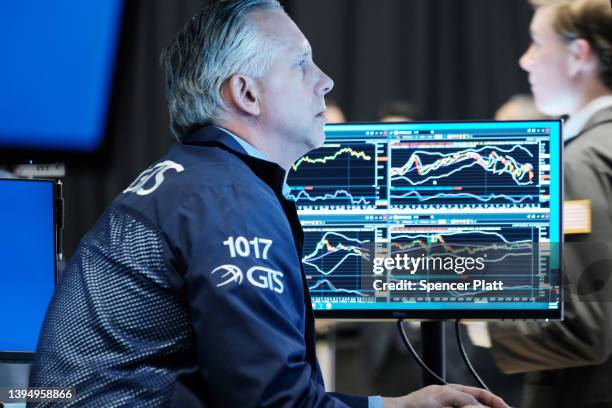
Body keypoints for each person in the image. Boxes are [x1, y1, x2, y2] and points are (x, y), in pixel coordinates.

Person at [28, 1, 509, 407]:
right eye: (302, 63)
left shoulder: (197, 181)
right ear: (246, 93)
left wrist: (391, 405)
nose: (326, 81)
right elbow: (274, 403)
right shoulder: (227, 199)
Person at [469, 1, 612, 407]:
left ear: (578, 55)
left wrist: (469, 314)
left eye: (536, 43)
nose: (525, 60)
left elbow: (583, 330)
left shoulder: (578, 161)